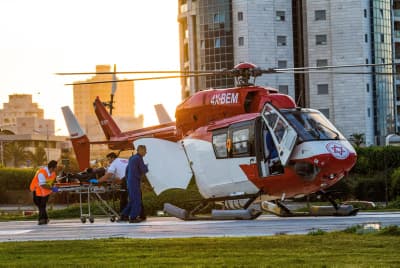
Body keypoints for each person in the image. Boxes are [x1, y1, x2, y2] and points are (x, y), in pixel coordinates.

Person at [120, 145, 148, 223]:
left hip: (129, 181)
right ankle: (133, 217)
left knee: (132, 200)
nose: (146, 152)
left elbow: (127, 170)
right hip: (135, 181)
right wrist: (147, 167)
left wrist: (127, 179)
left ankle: (124, 215)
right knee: (137, 200)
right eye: (145, 151)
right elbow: (143, 170)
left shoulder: (131, 158)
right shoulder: (139, 158)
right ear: (141, 150)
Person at [29, 160, 58, 225]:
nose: (56, 169)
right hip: (37, 190)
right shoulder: (41, 173)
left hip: (46, 191)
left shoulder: (53, 173)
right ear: (51, 168)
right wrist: (53, 188)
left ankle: (41, 220)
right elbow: (42, 185)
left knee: (42, 205)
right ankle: (46, 218)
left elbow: (53, 182)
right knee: (40, 205)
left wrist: (54, 186)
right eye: (56, 167)